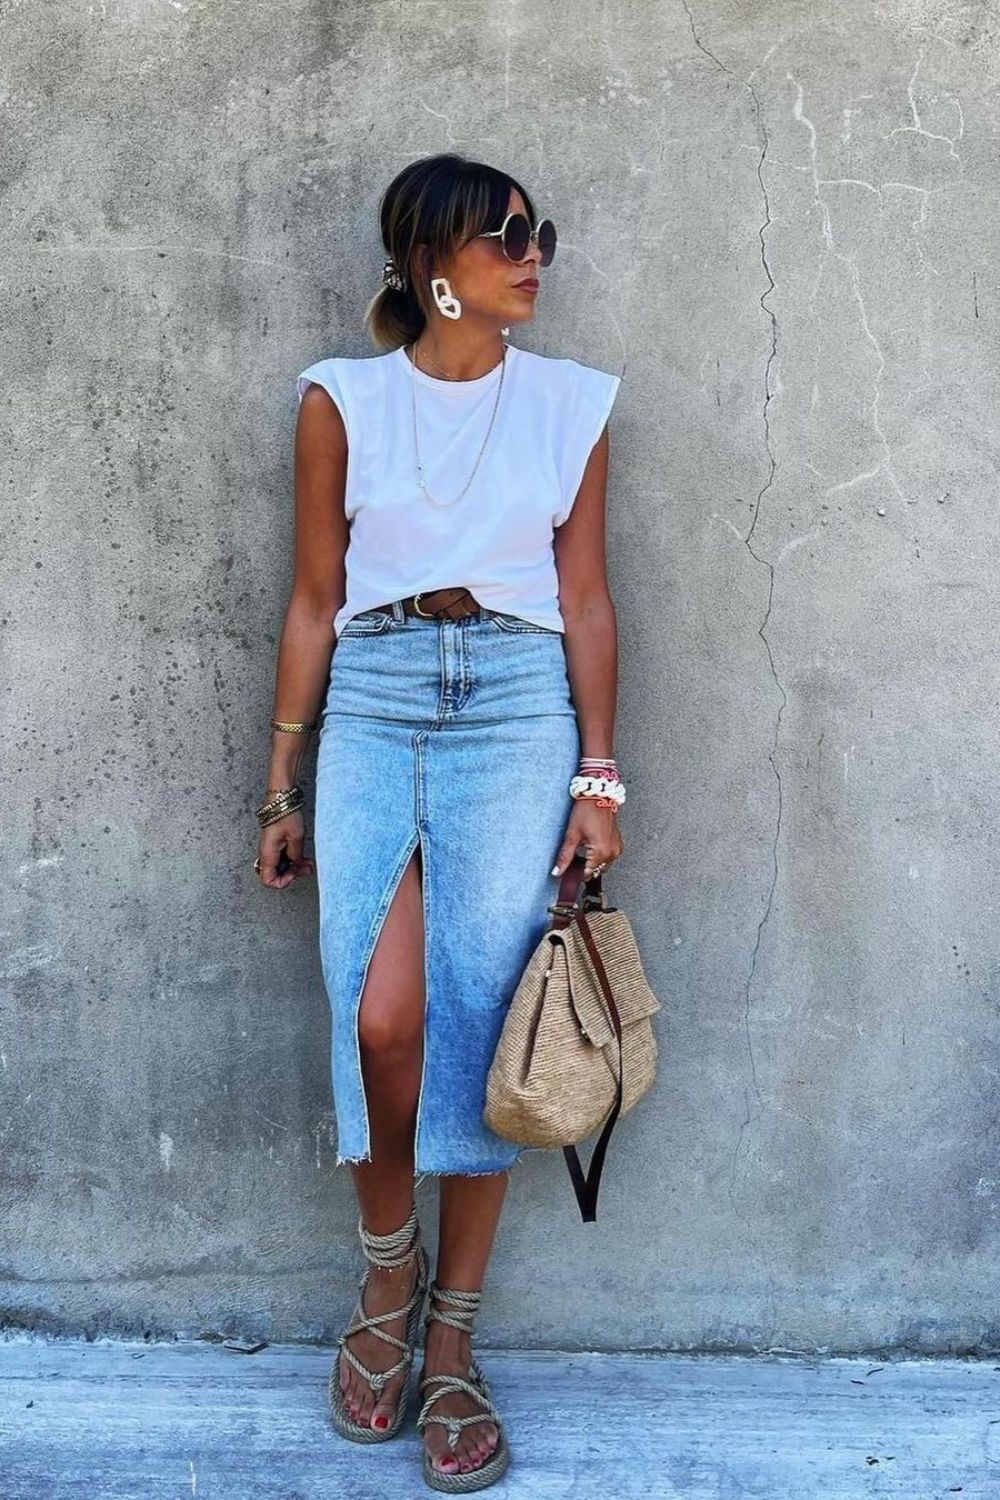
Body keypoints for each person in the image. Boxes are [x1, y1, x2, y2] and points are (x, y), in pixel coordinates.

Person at [253, 152, 627, 1491]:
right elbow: (313, 599)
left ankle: (452, 1343)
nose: (533, 255)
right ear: (435, 268)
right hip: (378, 692)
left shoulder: (571, 406)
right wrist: (283, 783)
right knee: (383, 1015)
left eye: (540, 231)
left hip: (519, 699)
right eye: (507, 237)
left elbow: (584, 601)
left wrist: (598, 778)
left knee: (478, 1019)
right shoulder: (340, 402)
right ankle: (387, 1273)